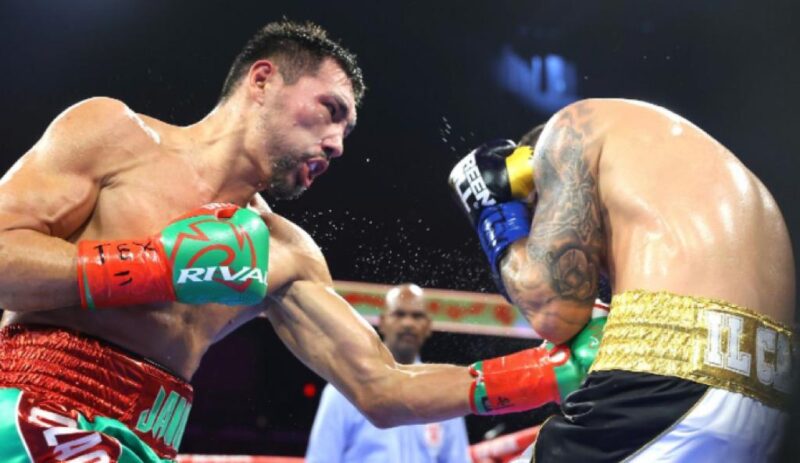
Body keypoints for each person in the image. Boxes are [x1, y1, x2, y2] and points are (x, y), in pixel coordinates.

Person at [0, 20, 602, 462]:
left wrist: (549, 372)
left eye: (347, 130)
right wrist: (155, 266)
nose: (337, 144)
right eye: (330, 110)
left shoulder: (285, 252)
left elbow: (383, 387)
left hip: (145, 443)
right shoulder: (116, 138)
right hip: (34, 412)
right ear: (263, 80)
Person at [448, 98, 795, 462]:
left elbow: (551, 306)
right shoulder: (689, 169)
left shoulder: (568, 131)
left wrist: (494, 213)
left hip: (668, 385)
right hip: (770, 409)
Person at [306, 283, 470, 463]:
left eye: (417, 316)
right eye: (399, 314)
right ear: (383, 322)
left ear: (428, 326)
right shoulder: (345, 388)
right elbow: (321, 458)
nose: (408, 323)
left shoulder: (443, 388)